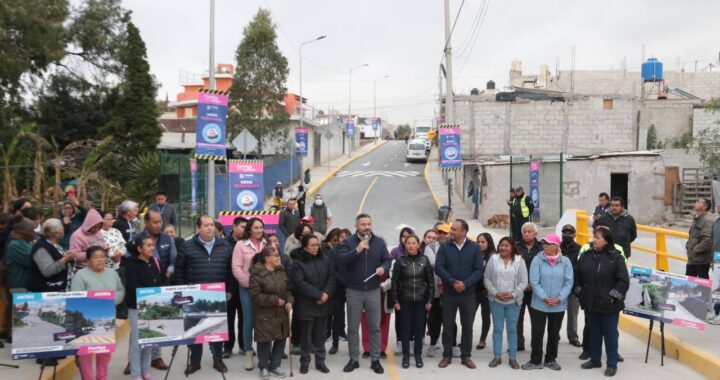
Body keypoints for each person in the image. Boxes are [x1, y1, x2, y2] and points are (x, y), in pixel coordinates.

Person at [175, 215, 234, 375]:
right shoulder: (187, 246)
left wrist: (230, 290)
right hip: (194, 295)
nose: (210, 228)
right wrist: (181, 293)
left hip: (217, 295)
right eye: (206, 225)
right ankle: (195, 362)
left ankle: (218, 360)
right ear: (198, 228)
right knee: (194, 329)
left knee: (216, 329)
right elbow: (179, 271)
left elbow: (230, 270)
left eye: (212, 225)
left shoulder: (224, 245)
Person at [335, 214, 391, 374]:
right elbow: (342, 260)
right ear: (356, 226)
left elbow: (387, 259)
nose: (366, 227)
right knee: (353, 327)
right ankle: (353, 359)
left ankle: (375, 360)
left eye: (369, 224)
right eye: (363, 224)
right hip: (354, 290)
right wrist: (358, 250)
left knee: (375, 327)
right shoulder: (348, 242)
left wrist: (384, 268)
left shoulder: (379, 242)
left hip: (373, 290)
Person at [575, 228, 629, 377]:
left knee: (610, 335)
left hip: (609, 305)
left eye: (598, 238)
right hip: (591, 303)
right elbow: (577, 274)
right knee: (594, 333)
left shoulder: (616, 258)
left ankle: (612, 364)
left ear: (607, 240)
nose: (594, 240)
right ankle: (595, 359)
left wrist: (613, 296)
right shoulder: (586, 256)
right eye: (594, 237)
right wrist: (580, 292)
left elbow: (623, 281)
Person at [435, 219, 484, 369]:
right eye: (452, 229)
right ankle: (447, 355)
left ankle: (466, 356)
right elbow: (439, 267)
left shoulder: (474, 247)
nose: (452, 232)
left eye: (455, 230)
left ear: (464, 231)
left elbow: (479, 270)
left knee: (467, 326)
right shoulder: (444, 247)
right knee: (448, 325)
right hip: (449, 293)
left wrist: (465, 283)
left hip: (468, 294)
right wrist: (452, 281)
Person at [522, 233, 574, 371]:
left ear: (556, 246)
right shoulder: (537, 260)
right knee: (537, 332)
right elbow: (534, 281)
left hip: (558, 304)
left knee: (554, 332)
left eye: (547, 243)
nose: (544, 246)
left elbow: (568, 283)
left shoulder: (566, 262)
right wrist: (544, 297)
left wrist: (559, 298)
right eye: (543, 243)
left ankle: (551, 359)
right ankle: (535, 360)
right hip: (539, 303)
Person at [71, 246, 125, 380]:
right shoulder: (80, 275)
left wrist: (109, 302)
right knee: (86, 353)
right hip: (86, 319)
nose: (100, 260)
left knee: (105, 351)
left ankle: (102, 376)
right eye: (96, 257)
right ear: (88, 260)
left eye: (102, 256)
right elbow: (76, 296)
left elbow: (120, 290)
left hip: (107, 317)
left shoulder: (112, 273)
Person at [289, 234, 336, 374]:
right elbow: (300, 284)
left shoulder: (325, 260)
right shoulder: (297, 263)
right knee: (306, 337)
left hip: (323, 303)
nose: (316, 247)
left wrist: (326, 294)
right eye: (313, 245)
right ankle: (305, 362)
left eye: (317, 245)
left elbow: (332, 277)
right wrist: (319, 295)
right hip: (306, 304)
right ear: (304, 247)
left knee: (321, 335)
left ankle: (320, 361)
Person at [249, 246, 293, 380]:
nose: (278, 257)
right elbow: (254, 295)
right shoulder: (257, 273)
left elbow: (289, 289)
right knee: (264, 340)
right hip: (264, 313)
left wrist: (290, 300)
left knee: (281, 338)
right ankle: (263, 366)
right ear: (267, 258)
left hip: (281, 312)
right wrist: (274, 300)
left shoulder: (281, 271)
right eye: (275, 255)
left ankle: (275, 365)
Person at [390, 234, 433, 369]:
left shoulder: (425, 260)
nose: (411, 245)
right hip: (405, 300)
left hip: (421, 301)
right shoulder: (400, 261)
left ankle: (418, 355)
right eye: (408, 243)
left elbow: (430, 282)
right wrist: (395, 300)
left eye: (414, 243)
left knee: (419, 329)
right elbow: (394, 282)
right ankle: (405, 357)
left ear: (418, 245)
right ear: (405, 245)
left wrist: (430, 299)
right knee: (405, 329)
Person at [484, 237, 528, 370]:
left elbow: (523, 281)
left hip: (513, 302)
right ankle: (497, 357)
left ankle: (513, 358)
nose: (503, 248)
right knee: (497, 329)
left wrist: (513, 294)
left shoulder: (520, 261)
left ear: (512, 247)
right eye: (501, 245)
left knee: (512, 330)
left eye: (507, 245)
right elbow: (486, 278)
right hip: (496, 300)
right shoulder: (493, 259)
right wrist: (495, 292)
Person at [125, 235, 163, 380]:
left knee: (149, 339)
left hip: (154, 306)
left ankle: (145, 371)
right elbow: (134, 285)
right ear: (139, 249)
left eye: (152, 245)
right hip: (137, 307)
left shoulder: (155, 262)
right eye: (148, 245)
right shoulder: (131, 264)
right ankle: (136, 373)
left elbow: (161, 282)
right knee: (137, 341)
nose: (151, 248)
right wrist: (150, 297)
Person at [232, 217, 268, 370]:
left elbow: (274, 262)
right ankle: (248, 352)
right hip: (247, 288)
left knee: (264, 319)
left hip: (266, 289)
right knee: (248, 320)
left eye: (261, 227)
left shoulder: (267, 244)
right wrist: (252, 284)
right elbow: (237, 268)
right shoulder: (240, 245)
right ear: (249, 230)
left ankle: (264, 352)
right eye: (256, 228)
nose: (259, 230)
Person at [424, 223, 452, 357]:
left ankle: (452, 345)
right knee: (434, 319)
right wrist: (451, 265)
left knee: (450, 319)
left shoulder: (454, 247)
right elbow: (433, 263)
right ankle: (433, 343)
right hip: (435, 289)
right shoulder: (430, 248)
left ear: (450, 234)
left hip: (451, 290)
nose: (441, 235)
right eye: (439, 233)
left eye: (445, 233)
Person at [27, 219, 76, 292]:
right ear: (56, 233)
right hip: (46, 292)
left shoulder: (56, 244)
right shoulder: (41, 248)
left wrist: (70, 258)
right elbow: (47, 271)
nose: (63, 232)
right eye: (62, 229)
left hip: (59, 289)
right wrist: (66, 259)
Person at [515, 222, 542, 351]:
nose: (526, 233)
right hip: (519, 290)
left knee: (536, 321)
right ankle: (519, 343)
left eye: (529, 231)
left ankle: (535, 345)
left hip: (536, 291)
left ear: (535, 233)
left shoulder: (542, 247)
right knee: (517, 319)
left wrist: (533, 284)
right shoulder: (515, 247)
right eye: (524, 231)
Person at [224, 216, 247, 359]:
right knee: (229, 319)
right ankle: (227, 347)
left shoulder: (248, 243)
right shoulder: (223, 244)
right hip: (228, 289)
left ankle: (244, 346)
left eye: (246, 227)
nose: (245, 230)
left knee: (245, 320)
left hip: (244, 287)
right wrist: (228, 289)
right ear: (234, 226)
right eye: (242, 227)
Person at [390, 226, 414, 355]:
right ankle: (399, 342)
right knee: (399, 317)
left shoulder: (417, 251)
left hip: (414, 290)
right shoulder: (395, 251)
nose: (405, 239)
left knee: (411, 318)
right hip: (399, 290)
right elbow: (387, 265)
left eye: (408, 236)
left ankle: (409, 342)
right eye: (403, 236)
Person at [323, 229, 347, 354]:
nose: (344, 239)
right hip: (338, 289)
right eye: (342, 237)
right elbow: (332, 270)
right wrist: (344, 282)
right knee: (337, 317)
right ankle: (335, 343)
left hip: (352, 288)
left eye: (347, 237)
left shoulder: (354, 251)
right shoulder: (333, 252)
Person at [559, 224, 583, 347]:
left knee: (573, 313)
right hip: (558, 287)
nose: (567, 235)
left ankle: (573, 337)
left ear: (574, 235)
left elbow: (581, 268)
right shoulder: (556, 247)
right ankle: (555, 334)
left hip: (573, 287)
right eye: (565, 233)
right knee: (556, 313)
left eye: (570, 233)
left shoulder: (579, 249)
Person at [138, 211, 176, 284]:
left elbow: (174, 261)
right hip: (145, 284)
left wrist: (167, 275)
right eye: (155, 222)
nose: (159, 225)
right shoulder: (137, 239)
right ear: (146, 223)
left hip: (166, 281)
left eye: (160, 222)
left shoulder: (168, 238)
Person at [475, 232, 496, 350]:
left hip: (487, 292)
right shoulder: (474, 254)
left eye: (483, 242)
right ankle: (465, 338)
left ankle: (482, 339)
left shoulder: (494, 256)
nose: (480, 244)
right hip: (474, 291)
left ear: (489, 242)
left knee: (485, 316)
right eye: (478, 242)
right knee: (469, 316)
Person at [5, 216, 36, 293]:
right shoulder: (16, 244)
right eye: (32, 230)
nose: (34, 233)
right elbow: (32, 261)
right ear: (25, 232)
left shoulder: (24, 242)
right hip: (19, 286)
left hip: (24, 285)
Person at [685, 198, 715, 279]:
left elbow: (708, 240)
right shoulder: (696, 218)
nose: (695, 203)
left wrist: (695, 250)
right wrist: (688, 246)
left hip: (702, 259)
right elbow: (692, 236)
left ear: (704, 207)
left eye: (698, 202)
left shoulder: (708, 220)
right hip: (692, 258)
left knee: (703, 282)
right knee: (689, 280)